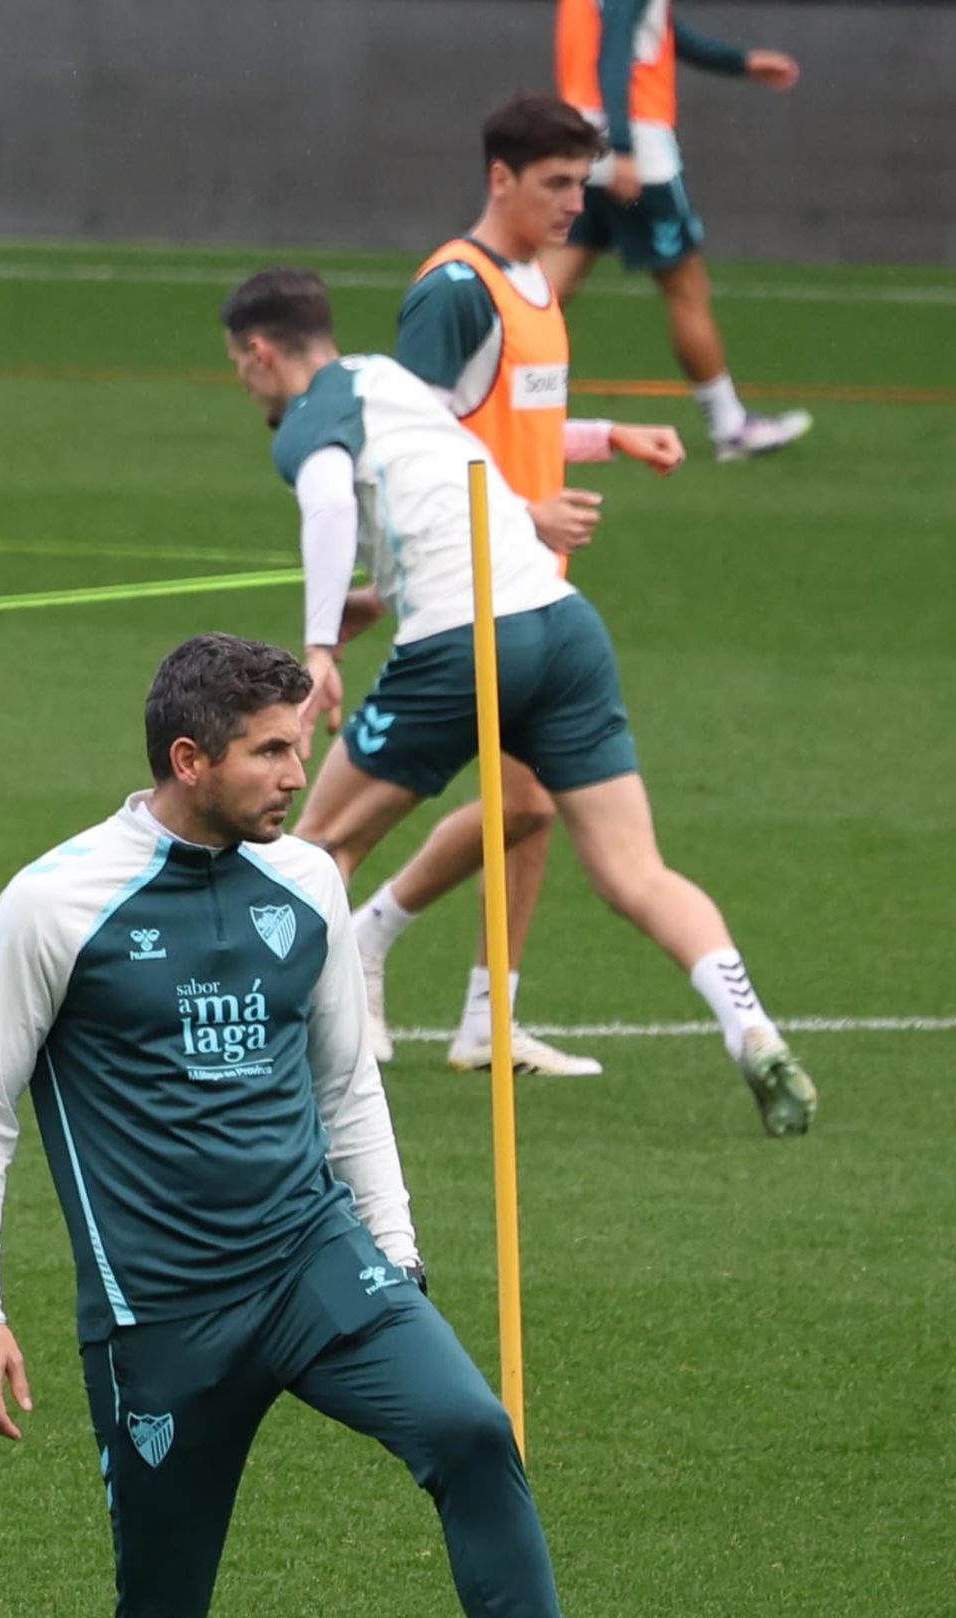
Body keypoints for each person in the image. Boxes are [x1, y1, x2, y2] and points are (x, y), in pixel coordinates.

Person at [0, 632, 705, 1618]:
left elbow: (349, 1088)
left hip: (315, 1264)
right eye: (274, 752)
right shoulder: (55, 904)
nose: (306, 774)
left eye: (303, 744)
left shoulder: (305, 884)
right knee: (162, 1617)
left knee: (472, 1426)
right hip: (160, 1317)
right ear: (191, 761)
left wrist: (398, 1264)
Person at [219, 265, 815, 1135]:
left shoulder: (309, 420)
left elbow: (325, 506)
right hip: (563, 625)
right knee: (633, 870)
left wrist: (317, 644)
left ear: (263, 353)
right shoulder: (393, 383)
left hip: (462, 644)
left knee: (316, 846)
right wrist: (379, 601)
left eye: (241, 367)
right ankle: (753, 1029)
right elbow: (472, 497)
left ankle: (271, 1064)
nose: (246, 384)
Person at [355, 91, 685, 1079]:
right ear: (499, 178)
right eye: (556, 183)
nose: (575, 204)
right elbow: (408, 435)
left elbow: (512, 424)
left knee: (529, 810)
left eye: (580, 184)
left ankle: (484, 1020)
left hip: (531, 584)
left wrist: (605, 436)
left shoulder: (532, 284)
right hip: (467, 585)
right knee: (506, 807)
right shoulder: (455, 291)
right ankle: (361, 945)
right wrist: (523, 515)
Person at [548, 0, 811, 463]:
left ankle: (469, 395)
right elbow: (615, 53)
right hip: (636, 147)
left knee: (547, 287)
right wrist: (624, 149)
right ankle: (730, 428)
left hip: (580, 137)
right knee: (686, 290)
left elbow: (660, 32)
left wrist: (741, 62)